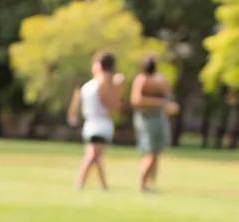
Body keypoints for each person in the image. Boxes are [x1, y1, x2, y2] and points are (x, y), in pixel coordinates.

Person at [67, 52, 122, 191]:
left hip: (100, 123)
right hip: (91, 122)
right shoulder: (93, 82)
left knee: (92, 154)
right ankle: (104, 186)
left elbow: (110, 102)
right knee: (95, 156)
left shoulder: (106, 81)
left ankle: (80, 183)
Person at [130, 56, 179, 192]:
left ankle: (150, 183)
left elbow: (168, 94)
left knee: (155, 152)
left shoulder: (158, 80)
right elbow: (136, 100)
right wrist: (162, 103)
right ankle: (143, 184)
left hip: (157, 118)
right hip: (147, 119)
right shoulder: (142, 80)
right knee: (151, 153)